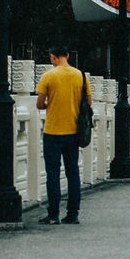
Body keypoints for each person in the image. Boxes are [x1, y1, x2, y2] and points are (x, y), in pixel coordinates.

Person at [36, 46, 92, 225]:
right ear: (67, 55)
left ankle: (53, 215)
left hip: (52, 131)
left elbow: (39, 104)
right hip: (73, 132)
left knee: (52, 173)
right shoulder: (81, 76)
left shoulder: (48, 76)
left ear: (52, 57)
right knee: (72, 172)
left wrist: (50, 104)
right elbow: (88, 102)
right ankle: (73, 213)